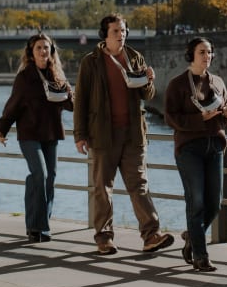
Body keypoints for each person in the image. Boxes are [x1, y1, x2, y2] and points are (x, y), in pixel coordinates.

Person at [73, 13, 173, 255]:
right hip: (102, 135)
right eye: (116, 31)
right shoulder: (92, 62)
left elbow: (146, 96)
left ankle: (151, 235)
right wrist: (80, 134)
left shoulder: (134, 57)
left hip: (132, 135)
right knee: (102, 187)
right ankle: (104, 238)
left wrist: (149, 81)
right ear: (105, 35)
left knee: (139, 185)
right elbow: (81, 100)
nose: (121, 35)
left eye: (124, 31)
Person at [164, 37, 227, 272]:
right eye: (202, 52)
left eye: (209, 52)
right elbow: (170, 118)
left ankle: (192, 238)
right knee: (196, 201)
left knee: (214, 203)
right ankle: (200, 256)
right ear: (191, 55)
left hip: (215, 146)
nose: (207, 56)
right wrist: (200, 119)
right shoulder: (178, 84)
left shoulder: (217, 82)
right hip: (189, 148)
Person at [0, 33, 74, 243]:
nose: (43, 51)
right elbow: (13, 105)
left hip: (51, 134)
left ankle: (38, 225)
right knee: (40, 174)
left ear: (51, 51)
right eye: (38, 48)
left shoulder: (57, 75)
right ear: (31, 52)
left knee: (50, 179)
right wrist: (1, 128)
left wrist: (69, 92)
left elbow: (71, 106)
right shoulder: (25, 77)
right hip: (29, 135)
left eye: (46, 48)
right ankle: (39, 227)